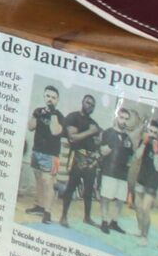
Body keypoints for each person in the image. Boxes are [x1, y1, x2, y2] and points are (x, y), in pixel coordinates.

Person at [57, 94, 102, 227]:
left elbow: (98, 140)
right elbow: (73, 138)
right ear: (82, 102)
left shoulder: (94, 123)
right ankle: (63, 216)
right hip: (77, 156)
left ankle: (87, 217)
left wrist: (97, 140)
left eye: (92, 105)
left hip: (89, 159)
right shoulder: (73, 117)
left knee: (88, 190)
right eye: (88, 103)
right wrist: (90, 132)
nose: (90, 106)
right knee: (71, 187)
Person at [24, 85, 65, 221]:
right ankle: (39, 206)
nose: (50, 99)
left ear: (57, 100)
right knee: (39, 181)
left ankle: (47, 212)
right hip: (37, 152)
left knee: (48, 182)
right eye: (48, 96)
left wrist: (52, 113)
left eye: (53, 98)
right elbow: (30, 127)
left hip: (51, 155)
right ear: (44, 96)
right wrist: (35, 115)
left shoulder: (58, 115)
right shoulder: (38, 111)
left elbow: (55, 131)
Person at [95, 105, 137, 236]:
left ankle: (114, 222)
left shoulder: (127, 138)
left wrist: (129, 164)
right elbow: (101, 150)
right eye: (121, 117)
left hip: (122, 174)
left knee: (120, 200)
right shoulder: (107, 133)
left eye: (126, 119)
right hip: (109, 171)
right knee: (106, 198)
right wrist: (104, 151)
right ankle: (104, 222)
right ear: (117, 117)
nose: (123, 121)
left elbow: (131, 155)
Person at [129, 117, 158, 246]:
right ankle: (140, 230)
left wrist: (156, 151)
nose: (152, 135)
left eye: (155, 133)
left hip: (152, 184)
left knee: (145, 209)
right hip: (141, 179)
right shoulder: (143, 142)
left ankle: (145, 236)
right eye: (150, 131)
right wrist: (144, 144)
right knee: (138, 208)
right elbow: (136, 157)